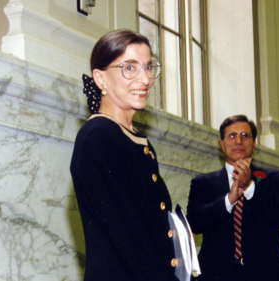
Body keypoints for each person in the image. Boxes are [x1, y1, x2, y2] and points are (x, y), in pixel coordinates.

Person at [70, 29, 179, 281]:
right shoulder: (98, 137)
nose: (145, 79)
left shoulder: (133, 138)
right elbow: (129, 238)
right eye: (129, 68)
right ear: (100, 78)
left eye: (148, 66)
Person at [186, 115, 279, 281]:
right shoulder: (202, 183)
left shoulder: (273, 179)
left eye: (245, 136)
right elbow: (195, 222)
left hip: (266, 274)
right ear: (222, 144)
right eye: (232, 136)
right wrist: (228, 200)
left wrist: (249, 187)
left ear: (254, 144)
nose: (238, 141)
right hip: (216, 273)